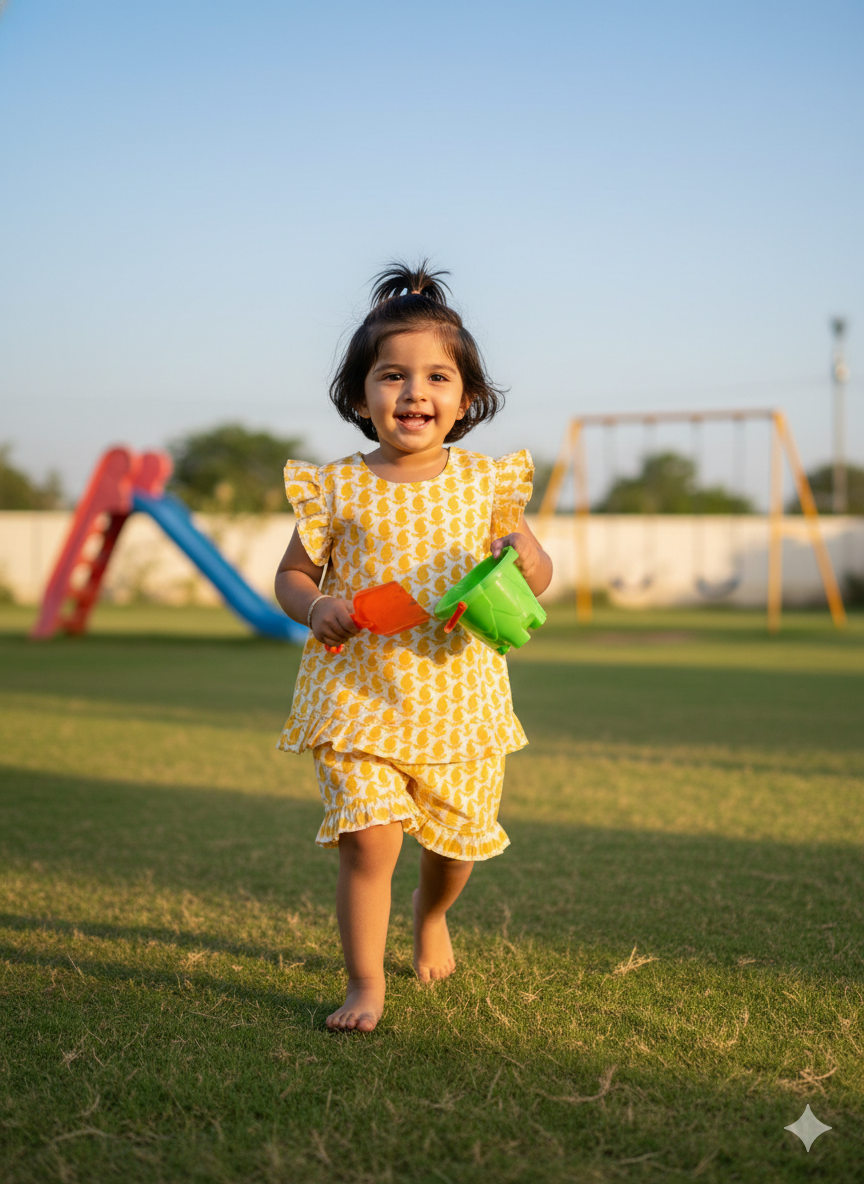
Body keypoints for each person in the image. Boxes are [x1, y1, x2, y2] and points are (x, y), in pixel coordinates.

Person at [274, 262, 552, 1032]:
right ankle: (365, 982)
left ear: (467, 398)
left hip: (460, 698)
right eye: (391, 375)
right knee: (368, 843)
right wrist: (317, 606)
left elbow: (536, 576)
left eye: (436, 377)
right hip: (358, 696)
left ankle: (432, 916)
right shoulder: (335, 488)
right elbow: (291, 577)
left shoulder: (488, 485)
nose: (413, 393)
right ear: (360, 395)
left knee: (456, 847)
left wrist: (531, 559)